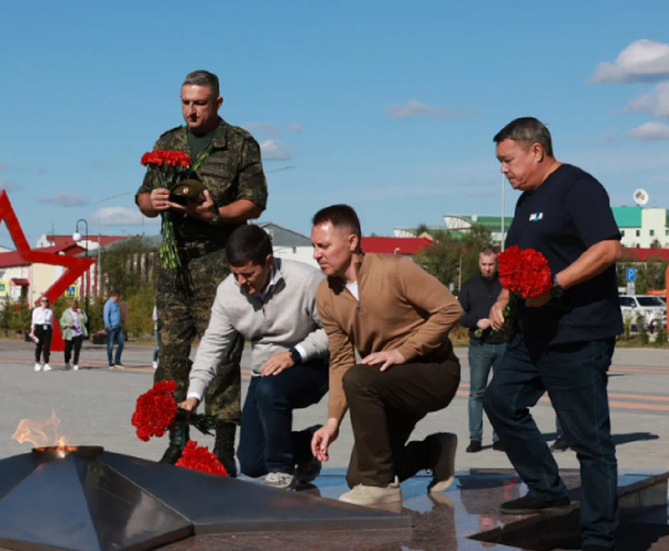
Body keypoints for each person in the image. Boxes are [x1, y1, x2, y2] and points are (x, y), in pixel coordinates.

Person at [483, 117, 623, 551]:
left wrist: (556, 286)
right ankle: (547, 488)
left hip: (578, 332)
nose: (503, 170)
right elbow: (516, 260)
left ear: (536, 151)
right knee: (500, 400)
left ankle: (599, 538)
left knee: (589, 440)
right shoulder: (526, 202)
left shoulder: (578, 187)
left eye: (508, 160)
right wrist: (503, 297)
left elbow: (607, 248)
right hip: (533, 333)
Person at [135, 69, 268, 472]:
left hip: (217, 261)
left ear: (218, 103)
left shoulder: (239, 144)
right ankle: (178, 442)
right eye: (185, 102)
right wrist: (151, 201)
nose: (191, 111)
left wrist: (216, 214)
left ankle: (225, 447)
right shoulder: (168, 142)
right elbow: (140, 197)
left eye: (200, 103)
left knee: (223, 354)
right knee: (171, 355)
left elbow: (255, 202)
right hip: (175, 265)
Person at [310, 204, 462, 507]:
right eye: (314, 246)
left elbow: (451, 309)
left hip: (435, 371)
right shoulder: (326, 295)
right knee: (358, 477)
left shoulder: (395, 270)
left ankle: (382, 486)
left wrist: (404, 352)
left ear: (352, 242)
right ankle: (434, 452)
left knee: (360, 381)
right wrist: (332, 421)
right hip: (384, 382)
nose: (317, 254)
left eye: (323, 246)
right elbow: (340, 360)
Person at [179, 224, 329, 487]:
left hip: (312, 365)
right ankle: (309, 442)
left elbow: (337, 330)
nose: (240, 282)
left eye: (248, 274)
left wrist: (295, 354)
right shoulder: (227, 293)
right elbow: (212, 345)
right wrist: (194, 396)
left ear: (268, 262)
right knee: (252, 462)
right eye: (234, 273)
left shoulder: (307, 281)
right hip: (266, 374)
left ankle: (283, 471)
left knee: (271, 390)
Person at [458, 247, 507, 453]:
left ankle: (499, 438)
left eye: (491, 264)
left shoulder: (505, 285)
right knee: (477, 393)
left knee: (500, 393)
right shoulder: (469, 286)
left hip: (503, 344)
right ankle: (475, 438)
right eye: (484, 264)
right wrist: (476, 321)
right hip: (479, 346)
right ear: (479, 264)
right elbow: (458, 315)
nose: (487, 268)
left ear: (496, 264)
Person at [59, 299, 88, 371]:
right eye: (73, 308)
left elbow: (85, 321)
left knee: (77, 349)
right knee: (67, 349)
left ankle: (75, 363)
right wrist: (67, 325)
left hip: (78, 333)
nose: (75, 309)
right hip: (69, 333)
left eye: (76, 307)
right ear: (71, 306)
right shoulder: (66, 312)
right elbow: (61, 322)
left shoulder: (81, 312)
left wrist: (81, 313)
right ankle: (67, 362)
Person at [30, 296, 53, 372]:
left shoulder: (49, 311)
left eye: (46, 301)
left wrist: (51, 330)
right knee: (39, 346)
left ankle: (46, 363)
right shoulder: (36, 311)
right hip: (39, 328)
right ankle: (37, 362)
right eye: (43, 301)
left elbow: (51, 322)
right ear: (40, 302)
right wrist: (32, 332)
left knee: (47, 346)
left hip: (47, 328)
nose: (44, 303)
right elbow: (33, 322)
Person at [103, 290, 125, 369]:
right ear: (115, 296)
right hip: (111, 328)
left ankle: (117, 361)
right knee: (110, 345)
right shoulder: (108, 304)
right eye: (118, 297)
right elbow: (106, 316)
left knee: (121, 344)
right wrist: (109, 325)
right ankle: (110, 362)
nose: (118, 298)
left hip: (118, 327)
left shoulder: (116, 304)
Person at [152, 305, 159, 370]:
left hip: (165, 330)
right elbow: (154, 317)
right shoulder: (156, 306)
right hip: (157, 329)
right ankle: (154, 360)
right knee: (158, 346)